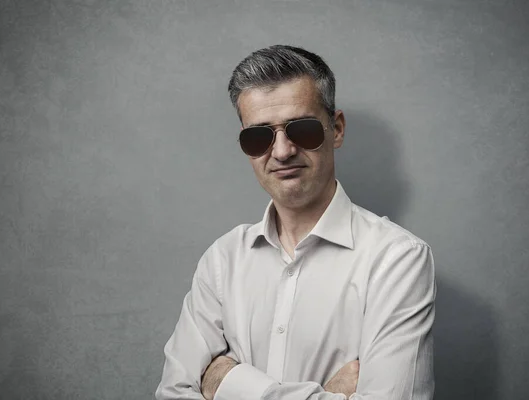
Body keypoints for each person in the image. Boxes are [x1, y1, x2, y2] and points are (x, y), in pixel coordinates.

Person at [155, 45, 436, 400]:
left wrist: (227, 383)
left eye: (301, 129)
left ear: (335, 129)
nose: (282, 151)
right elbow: (173, 394)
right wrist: (327, 395)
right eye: (259, 136)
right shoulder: (222, 260)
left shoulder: (397, 259)